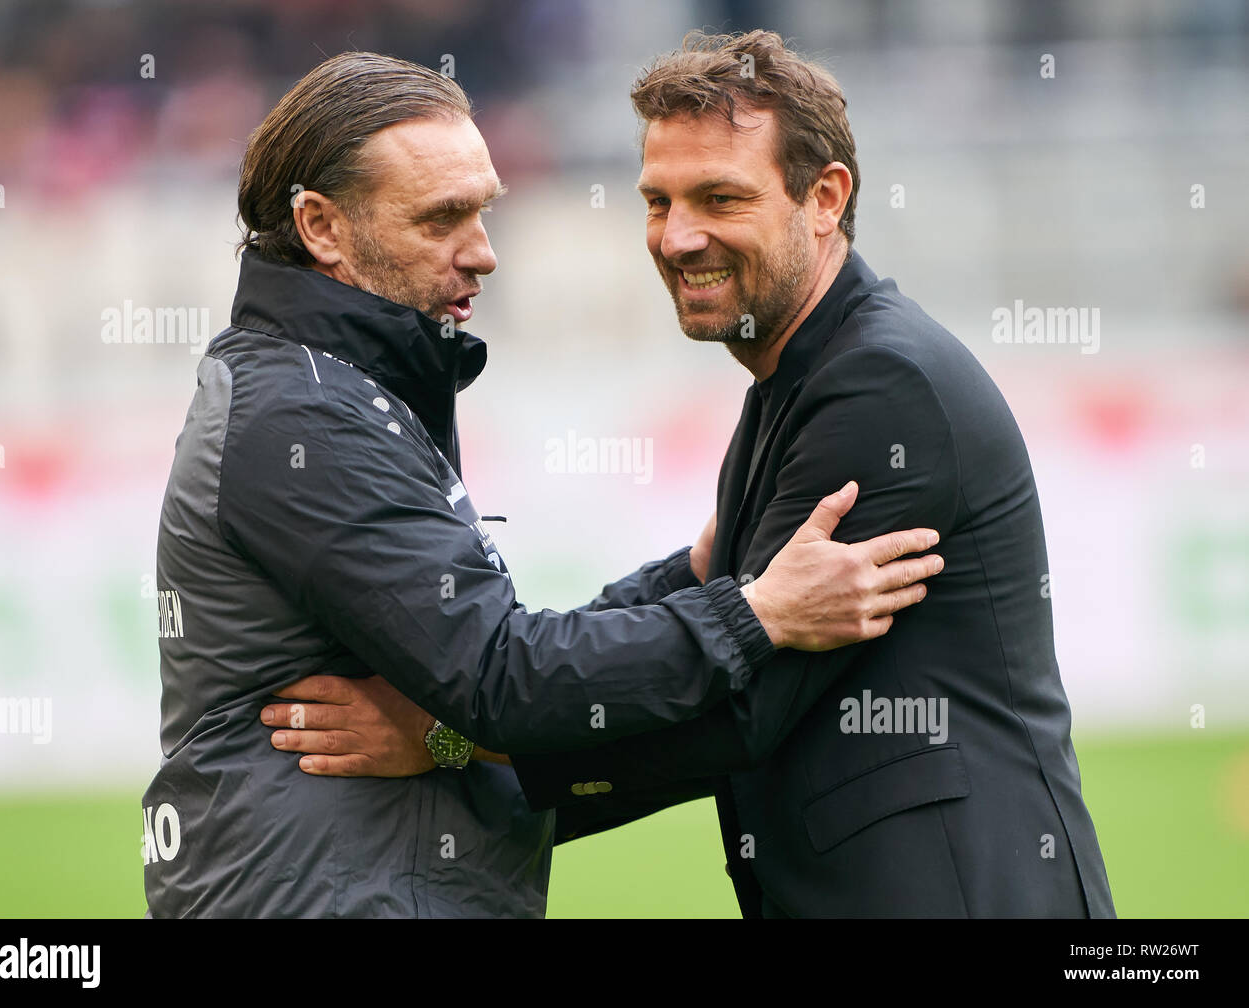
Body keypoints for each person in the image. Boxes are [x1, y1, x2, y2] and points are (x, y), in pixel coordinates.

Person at [266, 32, 1116, 918]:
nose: (677, 237)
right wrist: (492, 695)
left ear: (824, 199)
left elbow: (738, 710)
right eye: (657, 201)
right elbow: (719, 609)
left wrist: (450, 736)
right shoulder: (802, 375)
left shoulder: (880, 386)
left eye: (720, 197)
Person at [142, 50, 942, 918]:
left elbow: (489, 662)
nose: (483, 253)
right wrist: (753, 616)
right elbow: (499, 679)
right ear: (322, 227)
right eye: (442, 218)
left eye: (482, 212)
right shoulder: (302, 416)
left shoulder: (334, 390)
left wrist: (687, 582)